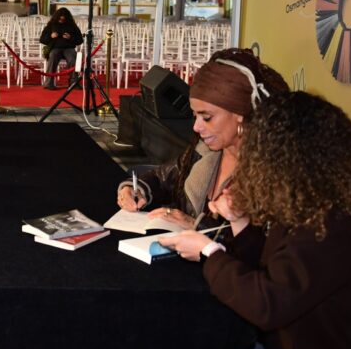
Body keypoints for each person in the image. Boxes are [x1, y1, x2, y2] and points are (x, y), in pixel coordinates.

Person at [161, 91, 351, 349]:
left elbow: (268, 304)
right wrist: (240, 225)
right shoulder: (311, 207)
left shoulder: (334, 224)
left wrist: (208, 252)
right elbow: (273, 273)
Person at [116, 48, 289, 231]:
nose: (196, 127)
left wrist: (196, 227)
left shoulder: (271, 174)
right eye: (195, 115)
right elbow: (162, 178)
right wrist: (136, 190)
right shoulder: (203, 151)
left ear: (240, 115)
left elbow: (261, 249)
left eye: (207, 117)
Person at [39, 7, 82, 90]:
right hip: (55, 48)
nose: (61, 20)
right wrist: (51, 36)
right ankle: (49, 82)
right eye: (60, 19)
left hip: (69, 48)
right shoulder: (51, 25)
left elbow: (80, 40)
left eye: (63, 19)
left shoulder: (72, 26)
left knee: (73, 58)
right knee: (52, 57)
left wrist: (70, 37)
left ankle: (74, 82)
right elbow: (42, 39)